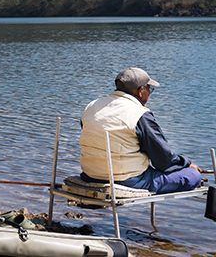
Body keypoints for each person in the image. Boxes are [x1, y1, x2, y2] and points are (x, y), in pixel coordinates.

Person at [78, 67, 206, 194]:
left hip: (90, 174)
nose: (149, 93)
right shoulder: (139, 114)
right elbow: (163, 160)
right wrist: (185, 164)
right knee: (192, 176)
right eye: (149, 89)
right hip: (126, 179)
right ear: (141, 91)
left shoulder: (92, 106)